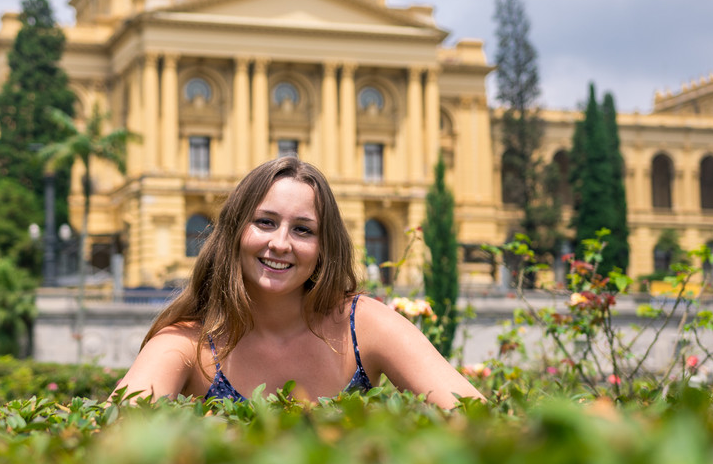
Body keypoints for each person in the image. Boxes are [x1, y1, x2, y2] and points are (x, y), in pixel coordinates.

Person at [113, 158, 484, 409]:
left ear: (324, 247)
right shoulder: (186, 344)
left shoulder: (363, 324)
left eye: (303, 229)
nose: (281, 243)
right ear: (234, 232)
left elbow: (475, 416)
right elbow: (107, 439)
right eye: (265, 222)